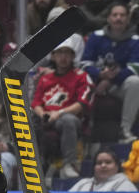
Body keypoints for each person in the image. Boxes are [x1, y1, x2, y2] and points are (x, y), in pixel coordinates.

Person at [81, 3, 139, 143]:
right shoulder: (96, 36)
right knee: (80, 80)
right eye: (115, 15)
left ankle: (125, 130)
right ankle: (85, 131)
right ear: (109, 18)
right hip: (95, 83)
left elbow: (135, 68)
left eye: (122, 15)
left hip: (118, 85)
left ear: (128, 19)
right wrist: (99, 75)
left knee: (135, 82)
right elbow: (84, 64)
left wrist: (109, 80)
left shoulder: (136, 40)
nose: (118, 18)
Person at [32, 38, 94, 179]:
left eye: (67, 53)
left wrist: (58, 113)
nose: (63, 57)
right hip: (46, 117)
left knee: (68, 121)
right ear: (53, 56)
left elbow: (82, 104)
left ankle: (69, 164)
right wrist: (43, 114)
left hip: (68, 117)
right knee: (24, 119)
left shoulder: (81, 77)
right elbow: (36, 103)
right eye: (59, 53)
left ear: (73, 56)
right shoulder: (45, 78)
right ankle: (33, 163)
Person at [69, 145, 137, 192]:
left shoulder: (125, 184)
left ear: (117, 166)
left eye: (108, 162)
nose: (103, 165)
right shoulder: (83, 183)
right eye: (99, 163)